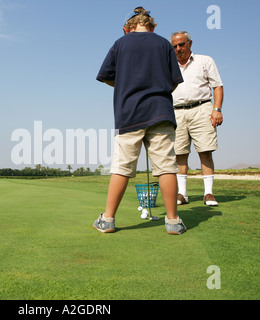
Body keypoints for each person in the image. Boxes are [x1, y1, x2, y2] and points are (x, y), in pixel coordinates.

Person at [93, 7, 186, 235]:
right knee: (166, 168)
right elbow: (174, 81)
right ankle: (173, 221)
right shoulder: (164, 44)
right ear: (153, 26)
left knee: (122, 168)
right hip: (161, 112)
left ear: (127, 29)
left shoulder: (120, 43)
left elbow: (104, 76)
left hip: (129, 114)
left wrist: (124, 84)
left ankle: (108, 220)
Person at [169, 31, 224, 207]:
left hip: (202, 108)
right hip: (177, 112)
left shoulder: (204, 61)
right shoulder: (168, 65)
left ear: (190, 43)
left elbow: (217, 86)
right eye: (175, 46)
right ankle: (182, 194)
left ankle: (208, 193)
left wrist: (217, 109)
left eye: (182, 44)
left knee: (205, 150)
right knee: (180, 153)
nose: (178, 49)